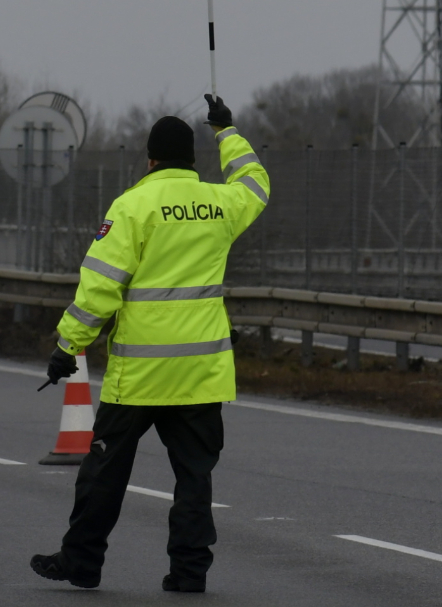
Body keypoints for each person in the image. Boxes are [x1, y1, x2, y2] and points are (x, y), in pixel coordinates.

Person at [30, 94, 269, 594]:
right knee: (194, 477)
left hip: (138, 377)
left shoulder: (132, 206)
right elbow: (255, 182)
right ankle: (189, 572)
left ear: (151, 160)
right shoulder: (220, 204)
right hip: (200, 374)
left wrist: (68, 346)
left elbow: (100, 286)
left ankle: (81, 562)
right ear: (191, 160)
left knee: (103, 472)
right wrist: (227, 132)